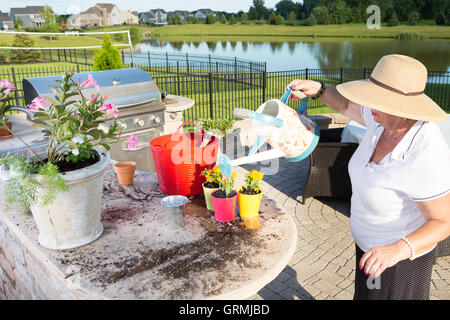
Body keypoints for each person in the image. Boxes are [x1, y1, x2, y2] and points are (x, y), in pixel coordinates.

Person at [287, 54, 450, 300]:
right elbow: (345, 106)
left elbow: (443, 222)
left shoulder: (426, 151)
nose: (370, 106)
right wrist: (318, 90)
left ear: (404, 109)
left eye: (378, 101)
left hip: (398, 263)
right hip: (370, 250)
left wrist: (396, 250)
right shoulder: (381, 121)